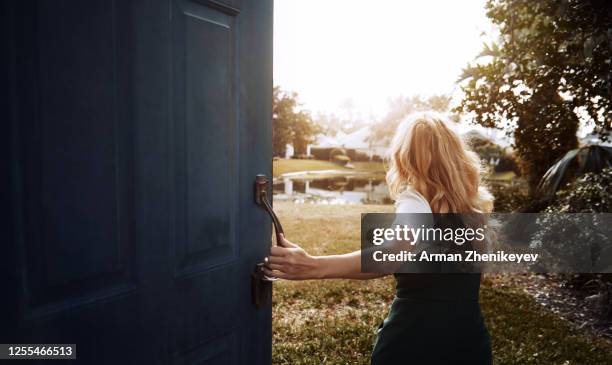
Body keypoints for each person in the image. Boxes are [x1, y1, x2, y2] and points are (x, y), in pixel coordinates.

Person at [264, 112, 494, 364]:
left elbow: (389, 256)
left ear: (404, 157)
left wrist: (313, 266)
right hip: (469, 341)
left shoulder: (414, 201)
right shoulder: (473, 210)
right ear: (454, 155)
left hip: (415, 340)